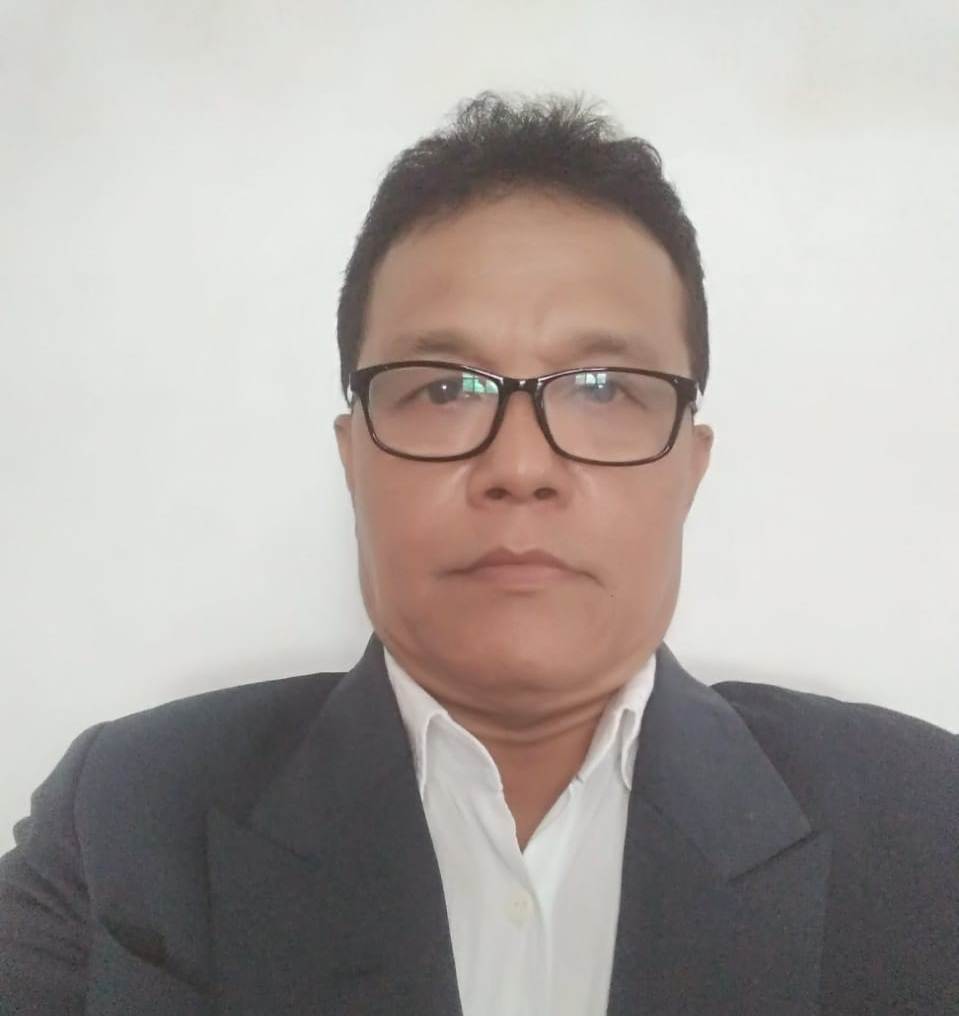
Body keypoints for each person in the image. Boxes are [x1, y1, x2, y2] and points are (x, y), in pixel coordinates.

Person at [1, 90, 956, 1016]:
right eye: (443, 388)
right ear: (354, 459)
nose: (520, 467)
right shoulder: (127, 816)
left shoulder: (925, 824)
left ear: (688, 467)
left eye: (601, 387)